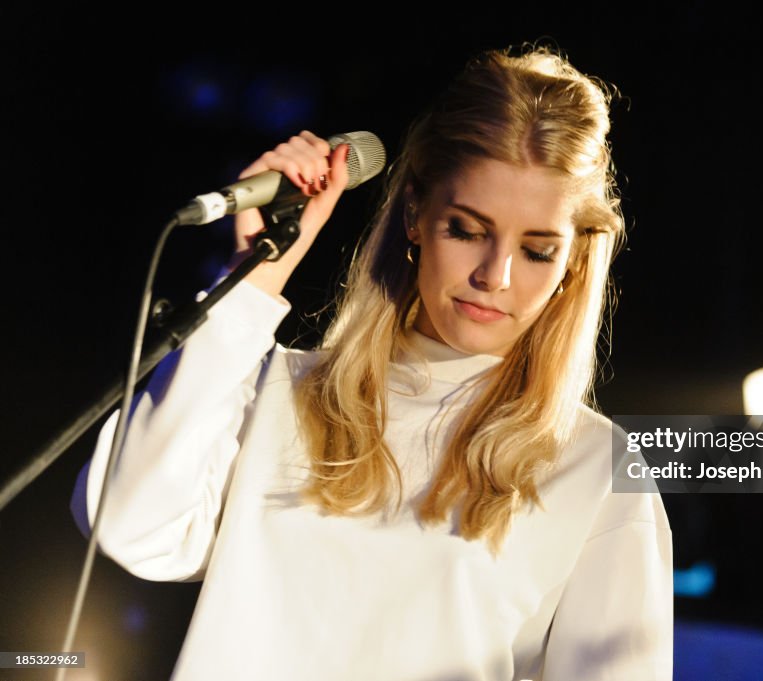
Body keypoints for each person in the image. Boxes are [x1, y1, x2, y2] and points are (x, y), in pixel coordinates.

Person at [71, 45, 673, 680]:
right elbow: (127, 526)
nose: (494, 277)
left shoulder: (593, 466)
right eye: (467, 230)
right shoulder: (276, 392)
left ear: (575, 258)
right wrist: (252, 281)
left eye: (536, 250)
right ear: (415, 212)